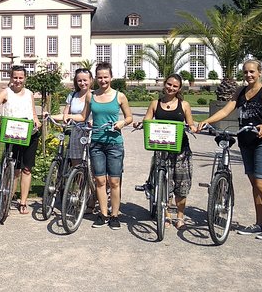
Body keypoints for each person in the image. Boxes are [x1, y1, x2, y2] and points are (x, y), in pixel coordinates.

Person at [199, 59, 262, 240]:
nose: (249, 75)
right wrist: (207, 121)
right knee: (255, 185)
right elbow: (226, 110)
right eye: (245, 72)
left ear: (259, 72)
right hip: (246, 140)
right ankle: (260, 224)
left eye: (252, 72)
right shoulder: (241, 91)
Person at [134, 73, 196, 230]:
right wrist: (140, 124)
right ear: (164, 84)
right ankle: (167, 215)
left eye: (175, 86)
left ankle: (180, 217)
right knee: (165, 184)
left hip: (181, 149)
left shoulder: (184, 105)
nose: (171, 88)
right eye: (169, 84)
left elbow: (190, 123)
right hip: (162, 148)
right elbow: (147, 119)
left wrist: (193, 127)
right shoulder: (155, 103)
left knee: (182, 184)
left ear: (179, 88)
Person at [80, 62, 132, 230]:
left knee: (114, 181)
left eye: (106, 77)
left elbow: (129, 117)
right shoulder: (91, 95)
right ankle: (103, 214)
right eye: (100, 77)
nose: (103, 80)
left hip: (114, 143)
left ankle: (115, 215)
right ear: (96, 78)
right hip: (96, 142)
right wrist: (65, 117)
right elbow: (83, 116)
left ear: (111, 77)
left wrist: (122, 123)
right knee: (100, 180)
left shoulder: (119, 96)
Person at [0, 65, 41, 215]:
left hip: (30, 133)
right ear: (11, 78)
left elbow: (32, 112)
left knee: (27, 169)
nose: (18, 80)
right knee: (15, 169)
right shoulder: (6, 93)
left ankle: (23, 201)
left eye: (21, 77)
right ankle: (8, 198)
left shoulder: (30, 93)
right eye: (15, 77)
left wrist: (36, 120)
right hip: (12, 133)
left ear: (25, 78)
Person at [51, 68, 93, 166]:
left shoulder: (95, 95)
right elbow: (65, 115)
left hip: (91, 132)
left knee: (91, 164)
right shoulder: (73, 95)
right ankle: (77, 180)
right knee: (76, 164)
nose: (82, 83)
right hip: (76, 131)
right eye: (79, 80)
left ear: (91, 80)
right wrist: (49, 115)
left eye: (85, 80)